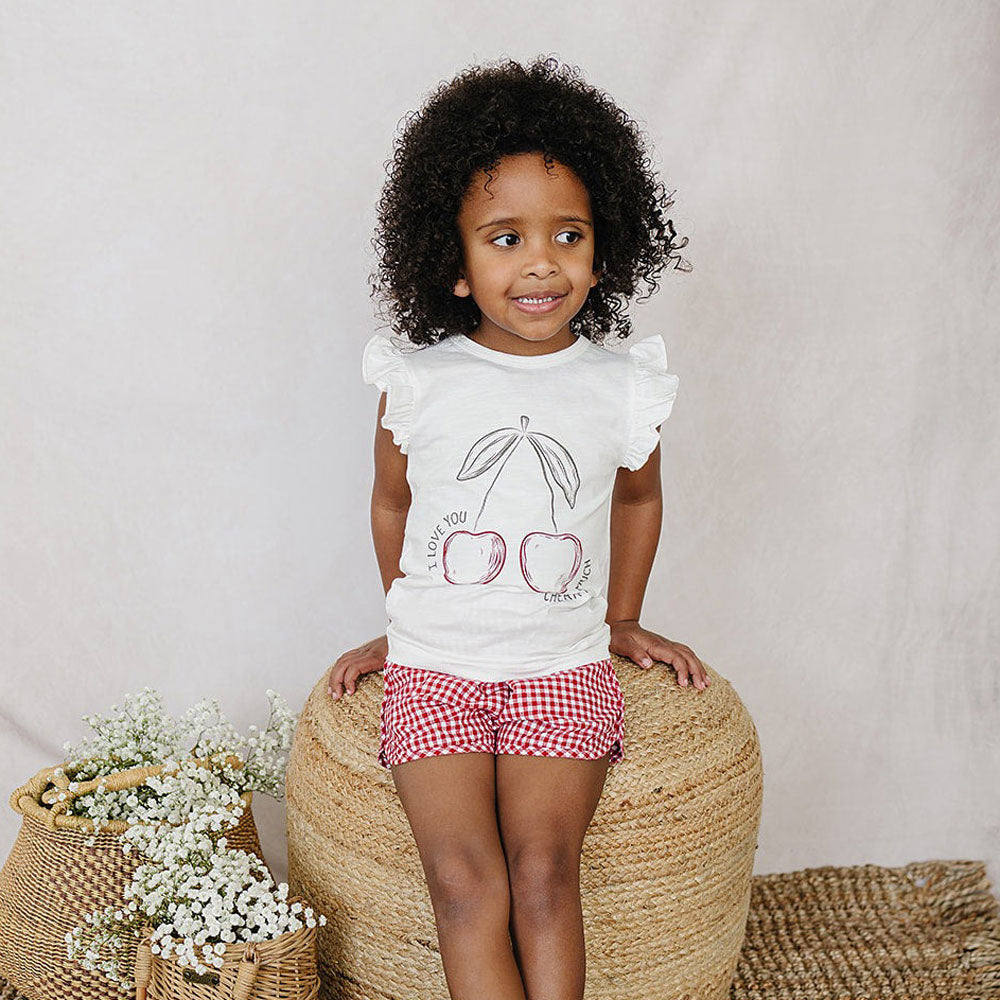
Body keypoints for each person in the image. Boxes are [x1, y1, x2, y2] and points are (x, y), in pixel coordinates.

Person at [327, 55, 708, 1000]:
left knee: (542, 876)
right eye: (505, 238)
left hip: (561, 673)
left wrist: (621, 618)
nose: (542, 261)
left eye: (568, 234)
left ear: (602, 250)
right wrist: (405, 617)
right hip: (435, 673)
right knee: (465, 885)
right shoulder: (418, 382)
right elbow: (393, 503)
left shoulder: (621, 387)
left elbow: (638, 499)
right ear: (453, 264)